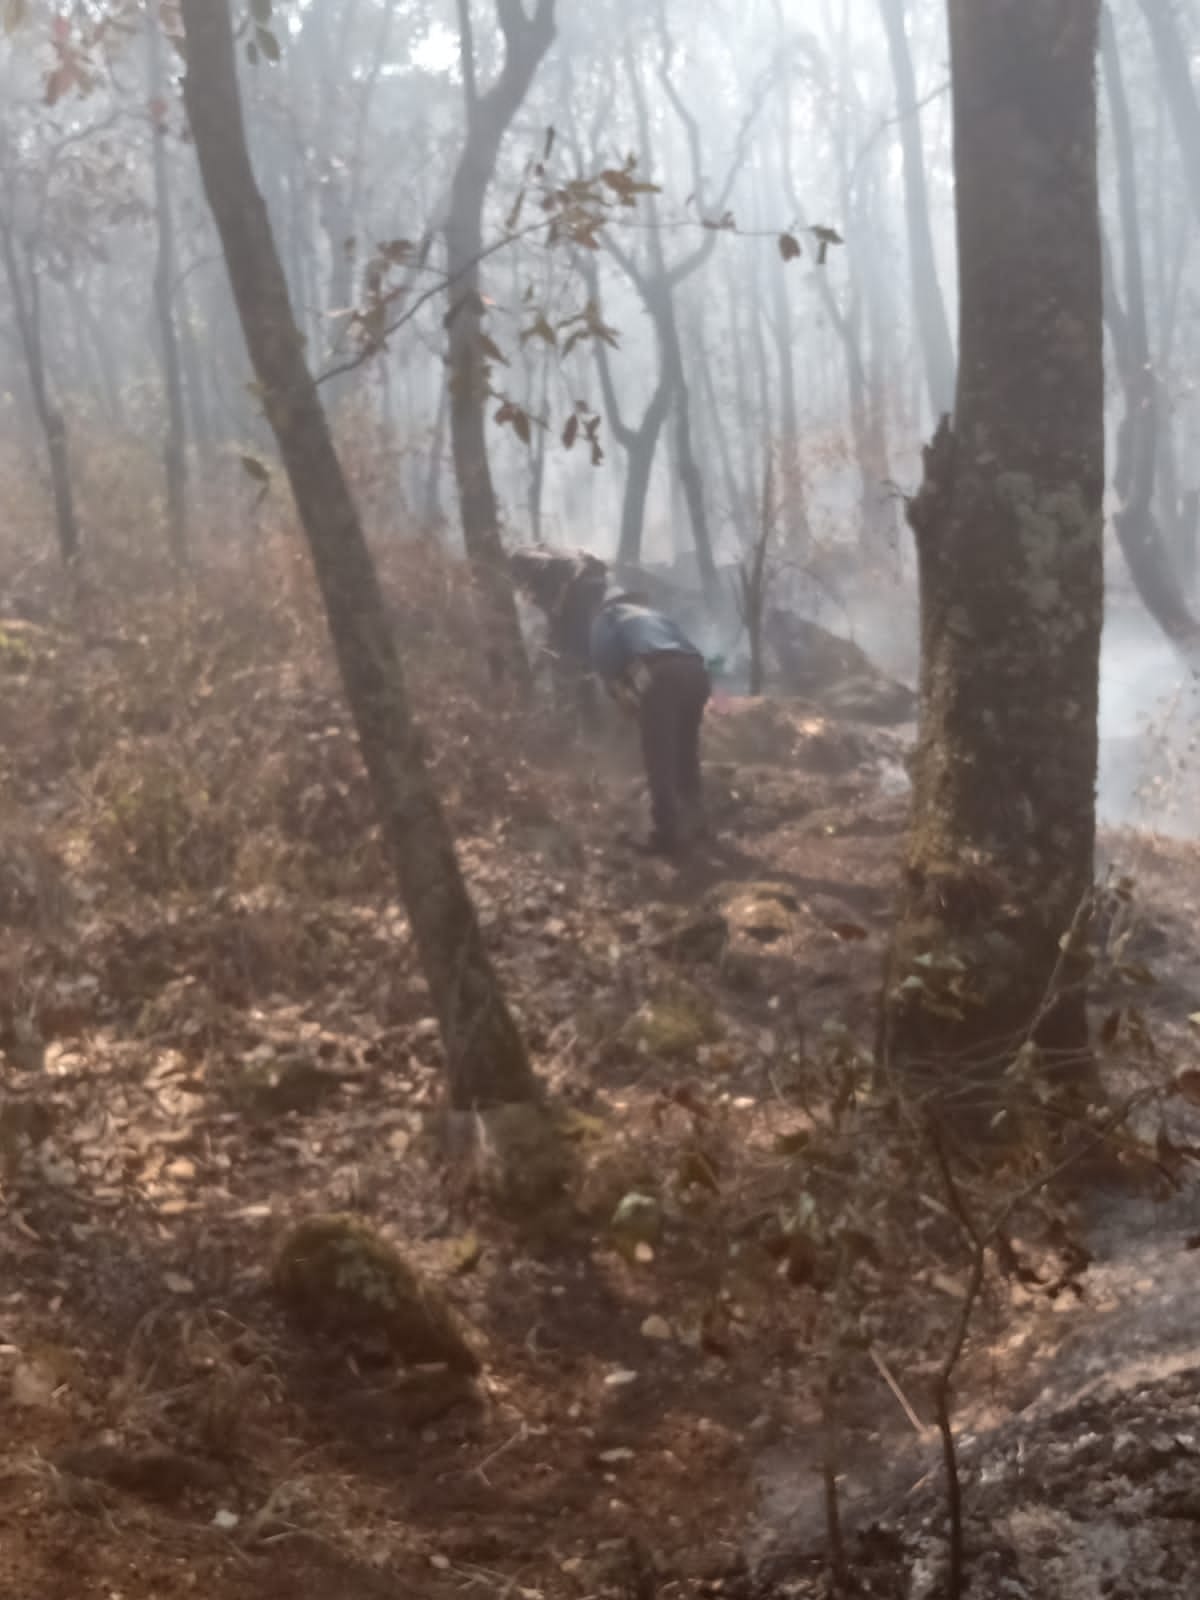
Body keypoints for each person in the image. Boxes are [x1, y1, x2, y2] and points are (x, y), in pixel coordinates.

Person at [590, 592, 712, 855]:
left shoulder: (606, 619)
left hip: (661, 675)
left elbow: (609, 670)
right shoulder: (656, 616)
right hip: (697, 672)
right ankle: (697, 821)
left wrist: (623, 701)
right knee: (685, 750)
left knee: (659, 754)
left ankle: (666, 833)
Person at [510, 544, 609, 729]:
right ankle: (587, 717)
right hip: (592, 584)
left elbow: (557, 605)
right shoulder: (544, 559)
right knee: (577, 652)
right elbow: (554, 615)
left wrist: (558, 611)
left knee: (571, 654)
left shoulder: (530, 561)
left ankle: (575, 719)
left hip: (581, 588)